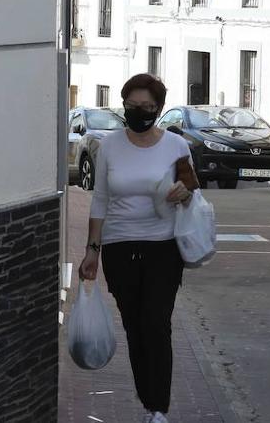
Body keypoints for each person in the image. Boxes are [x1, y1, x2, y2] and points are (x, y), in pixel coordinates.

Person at [79, 73, 200, 423]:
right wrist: (92, 250)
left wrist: (185, 191)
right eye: (132, 107)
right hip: (119, 249)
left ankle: (158, 409)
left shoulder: (175, 146)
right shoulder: (110, 147)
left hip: (163, 247)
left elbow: (192, 185)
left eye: (146, 107)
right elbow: (100, 200)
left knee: (156, 323)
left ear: (158, 109)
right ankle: (149, 403)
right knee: (135, 326)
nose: (139, 113)